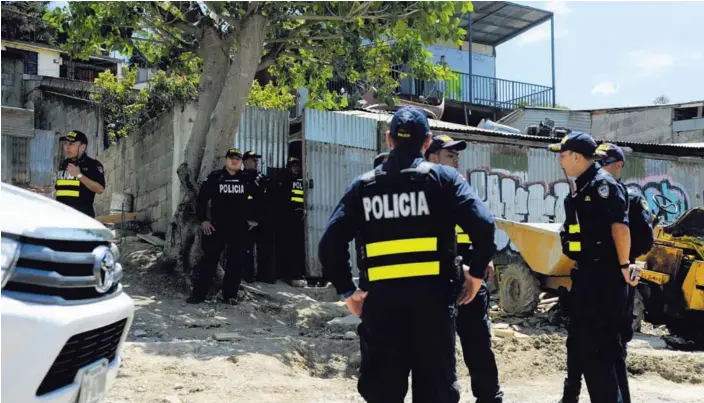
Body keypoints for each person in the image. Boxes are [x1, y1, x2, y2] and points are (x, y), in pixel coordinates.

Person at [319, 106, 496, 403]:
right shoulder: (444, 180)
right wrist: (475, 275)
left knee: (383, 393)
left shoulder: (363, 187)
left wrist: (348, 292)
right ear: (427, 142)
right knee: (436, 393)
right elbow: (485, 225)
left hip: (382, 309)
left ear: (389, 139)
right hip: (434, 310)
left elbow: (329, 244)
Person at [558, 143, 653, 403]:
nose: (602, 167)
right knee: (584, 346)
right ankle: (571, 395)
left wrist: (623, 264)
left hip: (607, 282)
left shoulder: (613, 190)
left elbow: (626, 232)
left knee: (605, 352)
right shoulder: (586, 189)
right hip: (590, 278)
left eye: (606, 162)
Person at [425, 134, 505, 403]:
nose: (456, 158)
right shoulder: (422, 187)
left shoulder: (458, 186)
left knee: (478, 343)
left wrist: (483, 261)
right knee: (439, 350)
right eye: (450, 154)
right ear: (432, 156)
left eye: (457, 154)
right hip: (439, 280)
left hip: (469, 277)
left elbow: (480, 227)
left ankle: (490, 396)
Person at [187, 148, 257, 305]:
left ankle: (230, 296)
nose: (235, 160)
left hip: (239, 228)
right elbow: (202, 200)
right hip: (217, 227)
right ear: (226, 160)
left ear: (241, 162)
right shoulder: (215, 177)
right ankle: (198, 295)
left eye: (238, 158)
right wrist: (203, 220)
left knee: (236, 263)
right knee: (209, 261)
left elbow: (258, 199)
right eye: (232, 157)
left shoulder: (247, 179)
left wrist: (254, 219)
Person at [241, 150, 276, 284]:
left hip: (264, 219)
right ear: (244, 162)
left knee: (266, 249)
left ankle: (266, 276)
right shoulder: (241, 178)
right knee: (246, 249)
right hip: (247, 219)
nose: (256, 162)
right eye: (252, 160)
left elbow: (270, 197)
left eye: (257, 160)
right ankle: (247, 276)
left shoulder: (262, 177)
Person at [55, 130, 105, 218]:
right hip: (61, 217)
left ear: (82, 147)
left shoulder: (92, 164)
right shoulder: (64, 163)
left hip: (82, 218)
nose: (67, 147)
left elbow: (100, 189)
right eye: (65, 143)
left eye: (71, 144)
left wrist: (79, 175)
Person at [274, 156, 307, 286]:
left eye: (297, 166)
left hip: (298, 216)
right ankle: (289, 274)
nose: (296, 168)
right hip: (287, 217)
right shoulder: (284, 179)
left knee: (297, 246)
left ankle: (297, 273)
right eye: (293, 166)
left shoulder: (299, 179)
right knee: (288, 246)